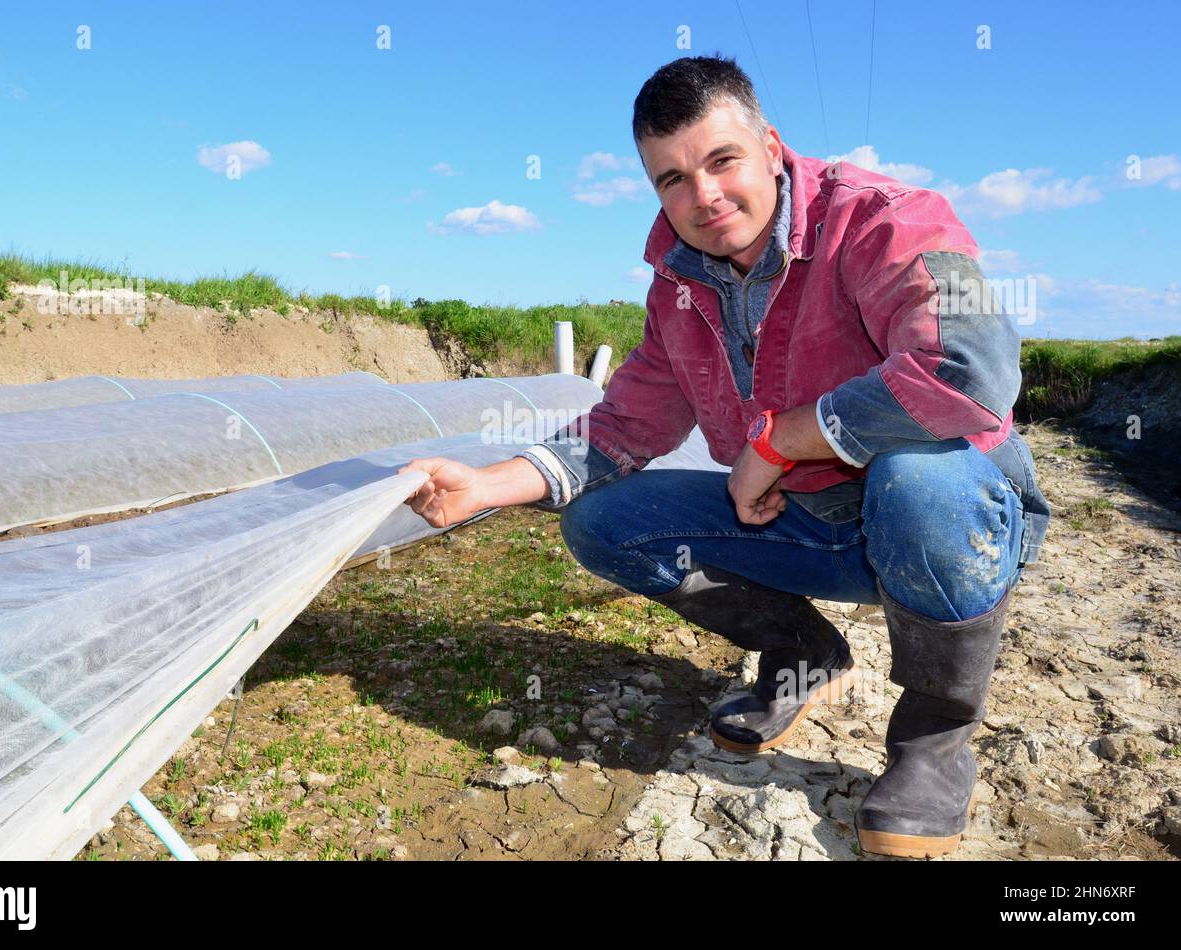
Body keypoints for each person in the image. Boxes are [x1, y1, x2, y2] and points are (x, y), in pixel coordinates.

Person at [400, 54, 1050, 859]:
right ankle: (803, 653)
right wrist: (487, 485)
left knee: (919, 477)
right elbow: (623, 425)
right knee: (603, 524)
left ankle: (933, 742)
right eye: (671, 179)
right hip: (810, 525)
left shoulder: (886, 221)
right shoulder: (679, 283)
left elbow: (970, 369)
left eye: (721, 161)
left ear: (771, 146)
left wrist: (780, 441)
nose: (702, 197)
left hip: (950, 521)